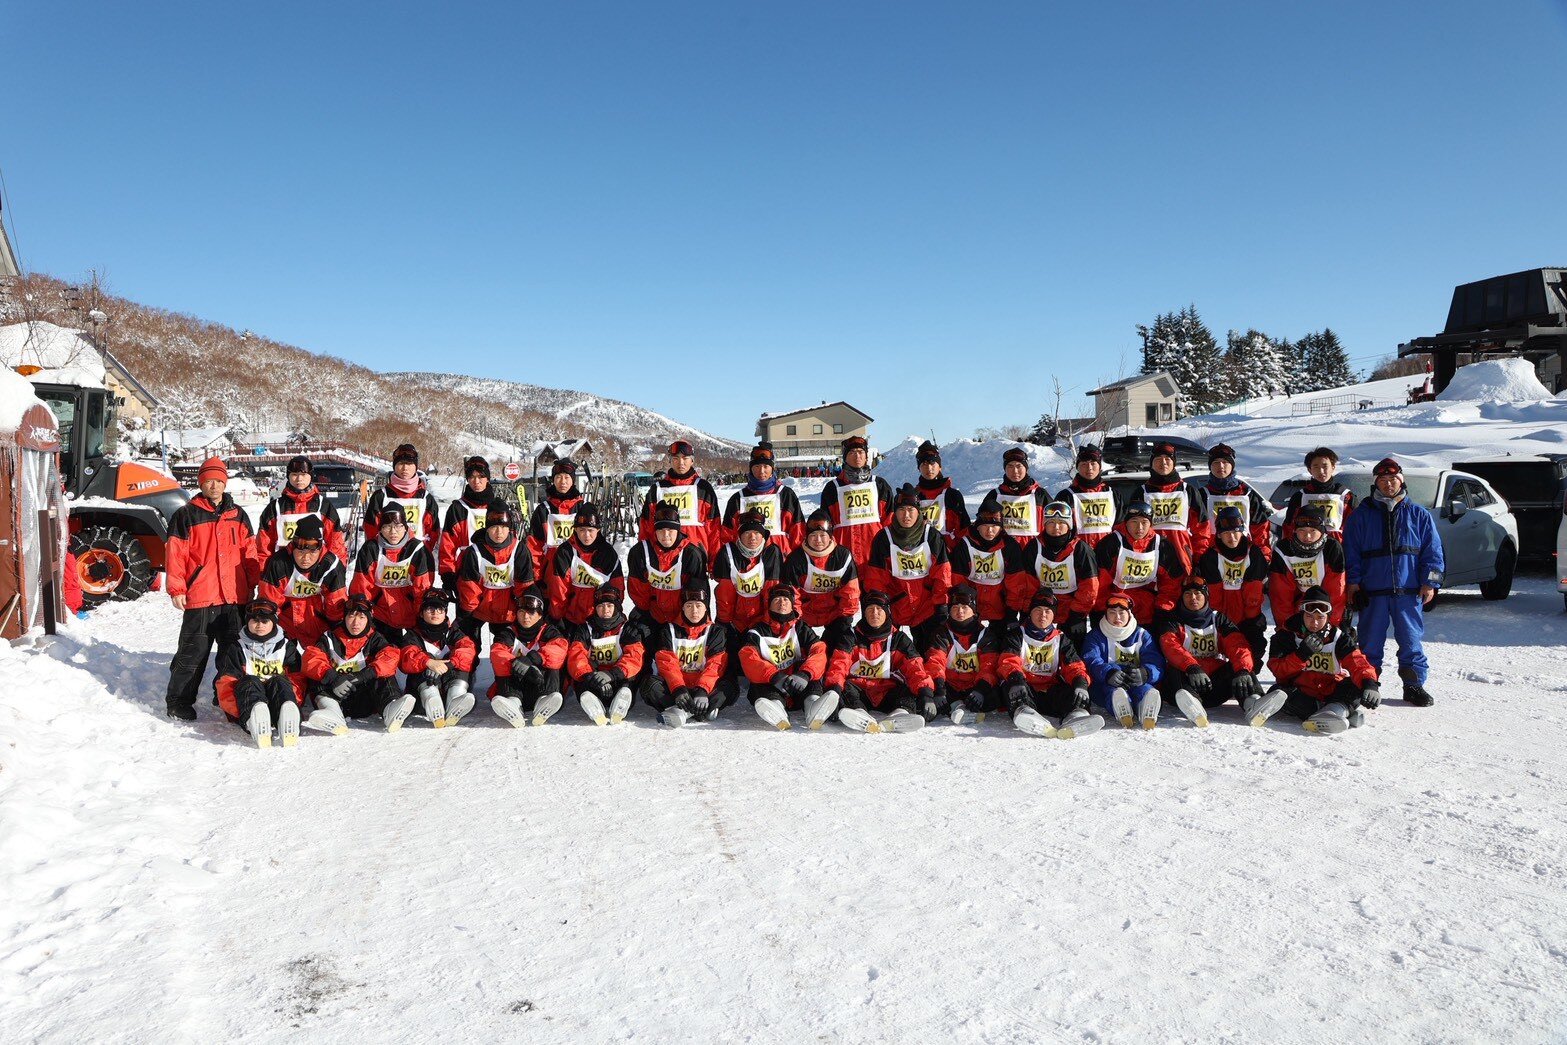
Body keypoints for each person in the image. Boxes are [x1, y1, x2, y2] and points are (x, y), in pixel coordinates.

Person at [1343, 457, 1444, 706]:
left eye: (1393, 479)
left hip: (1408, 593)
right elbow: (1351, 552)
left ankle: (1413, 686)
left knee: (1411, 641)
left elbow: (1433, 552)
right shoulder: (1361, 516)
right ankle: (1367, 684)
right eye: (1383, 480)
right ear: (1375, 483)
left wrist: (1430, 583)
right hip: (1372, 592)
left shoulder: (1419, 514)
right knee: (1369, 643)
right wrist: (1353, 584)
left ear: (1401, 481)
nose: (1388, 484)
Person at [164, 456, 258, 721]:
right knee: (192, 652)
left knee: (232, 653)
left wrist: (252, 583)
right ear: (201, 483)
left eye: (218, 480)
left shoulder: (238, 515)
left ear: (225, 483)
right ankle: (179, 701)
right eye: (208, 481)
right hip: (201, 596)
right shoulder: (185, 515)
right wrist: (177, 589)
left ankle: (226, 697)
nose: (214, 486)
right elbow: (175, 554)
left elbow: (250, 551)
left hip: (234, 597)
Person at [1157, 577, 1278, 728]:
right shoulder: (1172, 621)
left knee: (1241, 669)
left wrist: (1242, 669)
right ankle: (1192, 705)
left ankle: (1253, 702)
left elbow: (1237, 645)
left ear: (1206, 596)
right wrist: (1191, 667)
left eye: (1197, 593)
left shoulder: (1219, 619)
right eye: (1187, 594)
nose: (1193, 598)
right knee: (1173, 669)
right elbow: (1170, 646)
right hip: (1185, 684)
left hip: (1213, 685)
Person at [1266, 585, 1381, 733]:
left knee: (1356, 687)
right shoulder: (1286, 635)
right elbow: (1278, 670)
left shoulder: (1339, 637)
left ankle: (1333, 711)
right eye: (1309, 616)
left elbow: (1357, 662)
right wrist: (1301, 655)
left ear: (1328, 617)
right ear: (1302, 614)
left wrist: (1369, 683)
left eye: (1320, 618)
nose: (1314, 623)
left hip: (1331, 689)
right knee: (1278, 692)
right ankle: (1340, 712)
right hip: (1301, 691)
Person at [822, 589, 932, 733]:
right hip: (859, 690)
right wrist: (834, 690)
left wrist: (926, 693)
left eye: (879, 609)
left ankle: (899, 715)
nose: (874, 613)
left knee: (908, 689)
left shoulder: (899, 639)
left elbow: (915, 667)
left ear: (887, 612)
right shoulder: (850, 636)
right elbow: (839, 664)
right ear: (864, 613)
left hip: (888, 691)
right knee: (846, 688)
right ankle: (859, 714)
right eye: (870, 609)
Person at [997, 591, 1102, 739]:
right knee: (1012, 688)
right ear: (1030, 613)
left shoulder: (1061, 638)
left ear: (1053, 615)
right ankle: (1026, 713)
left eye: (1047, 611)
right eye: (1038, 610)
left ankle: (1076, 717)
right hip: (1026, 687)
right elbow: (1008, 661)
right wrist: (1016, 679)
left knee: (1076, 693)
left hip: (1050, 689)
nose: (1043, 615)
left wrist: (1080, 683)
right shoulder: (1017, 635)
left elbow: (1074, 665)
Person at [862, 484, 952, 647]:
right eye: (901, 510)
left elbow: (942, 574)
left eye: (911, 510)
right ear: (895, 513)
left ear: (919, 512)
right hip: (895, 606)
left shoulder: (932, 536)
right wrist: (880, 605)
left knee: (930, 652)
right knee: (893, 654)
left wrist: (942, 605)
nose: (906, 515)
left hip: (927, 607)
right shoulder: (884, 538)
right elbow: (876, 579)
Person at [302, 593, 407, 732]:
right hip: (336, 696)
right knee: (318, 678)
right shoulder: (330, 638)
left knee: (385, 675)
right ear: (344, 617)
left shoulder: (375, 638)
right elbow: (311, 659)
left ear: (368, 619)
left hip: (365, 697)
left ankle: (390, 707)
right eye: (351, 616)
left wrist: (364, 675)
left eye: (361, 617)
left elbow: (390, 657)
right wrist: (333, 677)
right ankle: (331, 712)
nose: (356, 623)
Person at [213, 598, 306, 748]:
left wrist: (294, 701)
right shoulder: (237, 648)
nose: (259, 625)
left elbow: (298, 680)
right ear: (247, 622)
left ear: (273, 622)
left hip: (277, 697)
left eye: (265, 621)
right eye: (254, 620)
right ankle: (253, 719)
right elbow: (226, 683)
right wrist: (239, 711)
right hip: (248, 699)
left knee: (279, 681)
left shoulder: (286, 647)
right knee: (250, 681)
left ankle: (287, 715)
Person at [739, 585, 832, 730]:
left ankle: (813, 707)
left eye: (786, 600)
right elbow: (748, 658)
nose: (782, 603)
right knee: (760, 686)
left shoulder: (801, 628)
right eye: (777, 600)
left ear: (792, 605)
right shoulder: (757, 631)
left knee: (813, 681)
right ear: (769, 605)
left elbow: (819, 651)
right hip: (772, 683)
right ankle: (776, 710)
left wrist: (805, 674)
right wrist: (774, 676)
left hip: (798, 682)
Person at [644, 580, 734, 727]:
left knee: (729, 686)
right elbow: (667, 663)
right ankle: (700, 710)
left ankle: (683, 711)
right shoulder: (669, 630)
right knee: (649, 684)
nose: (694, 611)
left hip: (705, 688)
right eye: (689, 606)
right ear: (683, 608)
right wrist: (678, 688)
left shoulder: (715, 631)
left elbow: (716, 664)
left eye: (698, 606)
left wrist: (703, 689)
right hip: (677, 689)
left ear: (706, 608)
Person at [454, 496, 539, 648]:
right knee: (466, 645)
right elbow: (469, 589)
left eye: (503, 527)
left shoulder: (519, 550)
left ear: (509, 528)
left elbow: (524, 587)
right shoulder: (474, 552)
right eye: (494, 527)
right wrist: (466, 617)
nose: (499, 532)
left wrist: (523, 614)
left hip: (509, 611)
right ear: (487, 527)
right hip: (479, 609)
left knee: (505, 650)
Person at [1194, 506, 1270, 665]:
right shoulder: (1210, 557)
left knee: (1253, 653)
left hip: (1248, 616)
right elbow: (1214, 597)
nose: (1232, 537)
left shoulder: (1254, 554)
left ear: (1242, 531)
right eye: (1226, 533)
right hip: (1221, 616)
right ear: (1219, 535)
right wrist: (1220, 621)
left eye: (1235, 532)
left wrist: (1252, 623)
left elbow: (1253, 595)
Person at [257, 515, 348, 647]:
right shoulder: (279, 563)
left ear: (320, 549)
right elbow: (269, 604)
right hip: (285, 624)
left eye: (312, 552)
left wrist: (335, 639)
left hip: (318, 625)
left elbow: (336, 609)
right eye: (300, 551)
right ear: (293, 546)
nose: (306, 558)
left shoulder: (331, 567)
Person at [1019, 500, 1100, 647]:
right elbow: (1027, 583)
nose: (1056, 527)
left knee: (1071, 650)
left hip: (1071, 610)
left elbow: (1090, 587)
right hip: (1042, 609)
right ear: (1044, 525)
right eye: (1051, 523)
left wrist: (1077, 615)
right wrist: (1029, 610)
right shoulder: (1034, 547)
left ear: (1069, 525)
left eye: (1061, 523)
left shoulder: (1081, 549)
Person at [1081, 592, 1166, 729]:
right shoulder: (1096, 636)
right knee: (1112, 690)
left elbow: (1155, 661)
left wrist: (1146, 673)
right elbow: (1091, 660)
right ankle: (1121, 708)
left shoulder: (1142, 635)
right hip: (1107, 683)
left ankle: (1146, 707)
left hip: (1135, 680)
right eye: (1112, 613)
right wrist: (1107, 673)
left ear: (1129, 614)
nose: (1117, 617)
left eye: (1122, 613)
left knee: (1145, 688)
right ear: (1106, 614)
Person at [351, 506, 435, 641]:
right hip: (380, 617)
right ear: (380, 529)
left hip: (412, 618)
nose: (393, 532)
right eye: (387, 527)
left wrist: (421, 619)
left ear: (405, 527)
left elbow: (422, 588)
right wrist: (364, 617)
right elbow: (362, 587)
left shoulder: (418, 550)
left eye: (398, 526)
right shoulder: (371, 549)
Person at [566, 584, 647, 726]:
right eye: (601, 606)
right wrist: (589, 676)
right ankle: (592, 704)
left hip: (618, 677)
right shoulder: (585, 629)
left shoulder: (628, 628)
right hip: (593, 677)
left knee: (631, 678)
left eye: (609, 606)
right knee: (580, 682)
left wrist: (612, 675)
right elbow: (576, 656)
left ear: (616, 607)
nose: (605, 610)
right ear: (595, 608)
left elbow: (634, 657)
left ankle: (622, 701)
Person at [1094, 501, 1185, 625]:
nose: (1140, 528)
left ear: (1151, 524)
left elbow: (1171, 584)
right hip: (1117, 609)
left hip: (1149, 609)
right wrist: (1102, 609)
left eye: (1144, 522)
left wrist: (1163, 608)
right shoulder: (1111, 544)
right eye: (1134, 522)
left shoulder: (1162, 546)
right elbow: (1100, 583)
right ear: (1126, 522)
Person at [920, 585, 1002, 724]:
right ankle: (956, 705)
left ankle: (963, 706)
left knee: (996, 696)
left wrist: (980, 690)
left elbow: (989, 666)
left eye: (964, 607)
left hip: (975, 686)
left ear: (973, 610)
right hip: (949, 686)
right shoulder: (941, 634)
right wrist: (939, 689)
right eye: (955, 607)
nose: (960, 612)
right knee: (931, 692)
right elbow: (935, 662)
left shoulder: (985, 635)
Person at [781, 508, 860, 648]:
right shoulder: (796, 559)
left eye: (823, 535)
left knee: (844, 643)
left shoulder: (842, 556)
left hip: (835, 614)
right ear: (806, 537)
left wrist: (845, 619)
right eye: (813, 535)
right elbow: (792, 595)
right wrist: (797, 621)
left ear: (830, 536)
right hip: (805, 616)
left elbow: (850, 593)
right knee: (805, 648)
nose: (818, 540)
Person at [399, 589, 479, 728]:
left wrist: (451, 663)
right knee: (426, 657)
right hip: (422, 695)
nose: (435, 613)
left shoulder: (453, 633)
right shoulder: (413, 635)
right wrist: (428, 662)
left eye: (440, 609)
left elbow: (468, 650)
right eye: (430, 609)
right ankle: (432, 700)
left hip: (449, 688)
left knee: (458, 659)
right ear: (422, 613)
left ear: (445, 613)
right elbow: (406, 658)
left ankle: (455, 700)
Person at [488, 589, 569, 726]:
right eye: (521, 612)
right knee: (504, 668)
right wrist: (518, 664)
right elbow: (497, 653)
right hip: (515, 688)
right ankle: (513, 704)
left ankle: (544, 702)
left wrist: (533, 658)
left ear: (539, 614)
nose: (526, 617)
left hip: (541, 686)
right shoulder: (508, 633)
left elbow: (559, 649)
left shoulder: (549, 631)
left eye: (531, 612)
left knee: (553, 665)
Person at [948, 494, 1032, 625]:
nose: (990, 530)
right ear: (977, 525)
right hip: (970, 610)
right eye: (985, 526)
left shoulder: (1010, 546)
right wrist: (964, 608)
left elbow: (1016, 583)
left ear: (1001, 527)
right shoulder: (964, 545)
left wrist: (1011, 611)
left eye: (994, 526)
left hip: (1001, 609)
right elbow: (958, 581)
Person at [627, 502, 710, 629]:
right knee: (632, 633)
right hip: (653, 615)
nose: (665, 535)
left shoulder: (691, 554)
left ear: (678, 530)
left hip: (683, 617)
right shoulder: (640, 552)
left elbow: (699, 596)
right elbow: (638, 591)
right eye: (661, 530)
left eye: (670, 530)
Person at [638, 440, 724, 558]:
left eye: (685, 458)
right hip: (664, 560)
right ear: (670, 460)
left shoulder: (703, 488)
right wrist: (645, 558)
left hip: (696, 559)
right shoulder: (657, 489)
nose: (681, 463)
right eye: (676, 459)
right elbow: (646, 527)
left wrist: (715, 561)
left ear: (692, 460)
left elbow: (714, 529)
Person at [818, 435, 893, 566]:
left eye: (860, 452)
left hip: (875, 556)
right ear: (845, 457)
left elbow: (890, 520)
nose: (857, 456)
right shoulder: (832, 488)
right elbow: (826, 525)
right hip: (843, 556)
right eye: (852, 452)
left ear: (866, 456)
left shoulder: (879, 485)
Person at [256, 456, 347, 563]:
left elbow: (335, 543)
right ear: (288, 476)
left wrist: (337, 568)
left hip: (315, 568)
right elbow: (263, 547)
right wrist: (264, 570)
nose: (299, 479)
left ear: (310, 476)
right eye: (294, 474)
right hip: (283, 568)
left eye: (303, 475)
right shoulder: (275, 508)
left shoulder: (323, 506)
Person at [1190, 444, 1272, 563]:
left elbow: (1260, 530)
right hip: (1213, 558)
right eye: (1216, 462)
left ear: (1232, 465)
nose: (1220, 466)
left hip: (1244, 558)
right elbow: (1198, 531)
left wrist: (1263, 557)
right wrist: (1200, 560)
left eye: (1225, 462)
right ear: (1210, 466)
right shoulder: (1201, 495)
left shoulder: (1247, 494)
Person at [548, 504, 626, 628]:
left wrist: (612, 617)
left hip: (599, 621)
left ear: (598, 530)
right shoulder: (565, 552)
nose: (586, 535)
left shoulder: (608, 554)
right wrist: (556, 619)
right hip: (571, 619)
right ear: (575, 530)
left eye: (590, 530)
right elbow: (559, 590)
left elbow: (617, 589)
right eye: (582, 530)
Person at [1269, 504, 1347, 626]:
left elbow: (1336, 592)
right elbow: (1281, 596)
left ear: (1321, 531)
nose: (1307, 536)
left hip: (1324, 612)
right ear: (1295, 530)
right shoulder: (1283, 549)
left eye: (1312, 531)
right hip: (1297, 611)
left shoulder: (1331, 548)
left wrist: (1331, 626)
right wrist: (1286, 626)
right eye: (1302, 531)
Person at [361, 443, 442, 558]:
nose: (405, 468)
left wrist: (423, 554)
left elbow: (433, 531)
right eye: (401, 464)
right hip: (386, 558)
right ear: (394, 466)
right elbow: (371, 529)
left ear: (416, 467)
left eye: (409, 464)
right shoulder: (380, 497)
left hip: (417, 558)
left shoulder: (426, 498)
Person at [1131, 441, 1204, 567]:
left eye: (1167, 459)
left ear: (1174, 462)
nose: (1163, 463)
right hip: (1149, 558)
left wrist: (1199, 559)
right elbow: (1131, 529)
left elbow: (1202, 529)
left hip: (1181, 558)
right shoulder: (1141, 492)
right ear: (1152, 463)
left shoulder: (1188, 491)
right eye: (1158, 459)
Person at [721, 442, 803, 553]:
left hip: (781, 558)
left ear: (772, 468)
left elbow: (798, 531)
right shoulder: (737, 499)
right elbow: (727, 535)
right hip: (748, 560)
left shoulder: (786, 495)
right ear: (751, 468)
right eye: (757, 466)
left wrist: (797, 559)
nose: (761, 471)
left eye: (766, 466)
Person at [713, 509, 784, 637]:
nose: (752, 538)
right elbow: (725, 594)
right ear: (740, 535)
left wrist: (769, 623)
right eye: (747, 533)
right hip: (736, 622)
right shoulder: (727, 553)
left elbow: (771, 592)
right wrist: (724, 624)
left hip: (763, 621)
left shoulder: (772, 552)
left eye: (757, 533)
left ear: (763, 535)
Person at [527, 458, 586, 583]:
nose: (563, 482)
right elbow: (534, 546)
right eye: (558, 477)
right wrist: (536, 578)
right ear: (553, 480)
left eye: (567, 477)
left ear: (573, 480)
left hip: (579, 572)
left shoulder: (583, 508)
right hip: (551, 575)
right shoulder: (543, 510)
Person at [439, 456, 494, 591]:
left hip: (494, 571)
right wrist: (447, 574)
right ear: (467, 479)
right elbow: (448, 544)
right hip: (465, 573)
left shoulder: (497, 507)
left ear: (487, 478)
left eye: (481, 477)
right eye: (472, 477)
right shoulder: (458, 509)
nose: (476, 481)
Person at [1054, 444, 1121, 550]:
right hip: (1078, 553)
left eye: (1093, 463)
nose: (1089, 468)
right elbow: (1057, 529)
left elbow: (1121, 527)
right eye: (1084, 464)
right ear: (1077, 467)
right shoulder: (1066, 496)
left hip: (1107, 553)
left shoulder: (1113, 494)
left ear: (1100, 466)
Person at [1282, 446, 1356, 541]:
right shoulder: (1300, 496)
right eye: (1316, 467)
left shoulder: (1346, 496)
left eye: (1325, 466)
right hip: (1307, 546)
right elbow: (1289, 527)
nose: (1321, 471)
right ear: (1309, 470)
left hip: (1338, 547)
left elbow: (1356, 527)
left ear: (1333, 467)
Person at [913, 441, 970, 549]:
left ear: (940, 467)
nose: (929, 468)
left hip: (948, 552)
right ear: (919, 468)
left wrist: (951, 546)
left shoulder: (952, 495)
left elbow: (964, 529)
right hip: (920, 552)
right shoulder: (913, 496)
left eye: (932, 463)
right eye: (924, 464)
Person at [990, 447, 1052, 544]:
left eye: (1019, 466)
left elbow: (1054, 523)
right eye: (1010, 466)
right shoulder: (995, 495)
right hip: (1003, 549)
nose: (1015, 471)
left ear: (1026, 468)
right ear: (1005, 469)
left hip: (1033, 549)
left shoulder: (1040, 494)